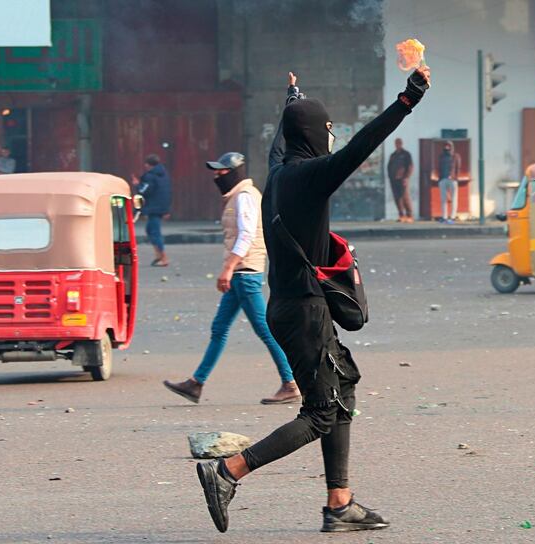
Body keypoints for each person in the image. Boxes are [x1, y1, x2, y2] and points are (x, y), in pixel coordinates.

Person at [193, 66, 431, 534]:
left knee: (343, 390)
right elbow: (362, 144)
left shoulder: (279, 173)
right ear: (314, 136)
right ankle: (228, 471)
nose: (330, 137)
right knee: (320, 412)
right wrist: (407, 101)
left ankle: (339, 504)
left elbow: (280, 141)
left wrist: (292, 97)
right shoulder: (311, 176)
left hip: (289, 307)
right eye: (325, 130)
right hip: (305, 311)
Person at [162, 152, 300, 405]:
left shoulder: (245, 198)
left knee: (266, 330)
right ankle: (196, 383)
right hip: (240, 274)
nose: (217, 176)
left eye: (221, 172)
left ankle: (291, 382)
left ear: (235, 172)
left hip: (245, 273)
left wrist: (228, 268)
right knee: (220, 329)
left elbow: (246, 236)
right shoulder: (238, 196)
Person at [132, 154, 172, 266]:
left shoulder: (150, 176)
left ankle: (164, 258)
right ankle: (158, 256)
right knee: (151, 230)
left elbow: (144, 191)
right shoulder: (164, 175)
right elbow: (167, 192)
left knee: (154, 232)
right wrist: (166, 209)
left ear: (147, 165)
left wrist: (137, 185)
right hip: (161, 206)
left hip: (153, 208)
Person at [387, 138, 414, 222]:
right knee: (397, 197)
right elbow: (389, 167)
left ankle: (409, 215)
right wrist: (390, 177)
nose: (397, 144)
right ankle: (401, 215)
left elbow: (410, 166)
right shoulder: (393, 155)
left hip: (403, 179)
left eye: (399, 143)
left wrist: (406, 177)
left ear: (401, 144)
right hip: (394, 180)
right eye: (396, 143)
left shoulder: (406, 154)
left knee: (405, 197)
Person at [436, 140, 461, 224]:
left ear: (452, 147)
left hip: (452, 179)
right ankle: (444, 217)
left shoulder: (455, 156)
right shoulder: (441, 156)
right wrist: (439, 179)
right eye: (446, 145)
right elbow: (438, 167)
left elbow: (458, 168)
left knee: (454, 198)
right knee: (443, 199)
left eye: (449, 146)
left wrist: (455, 177)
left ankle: (452, 217)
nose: (447, 147)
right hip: (443, 179)